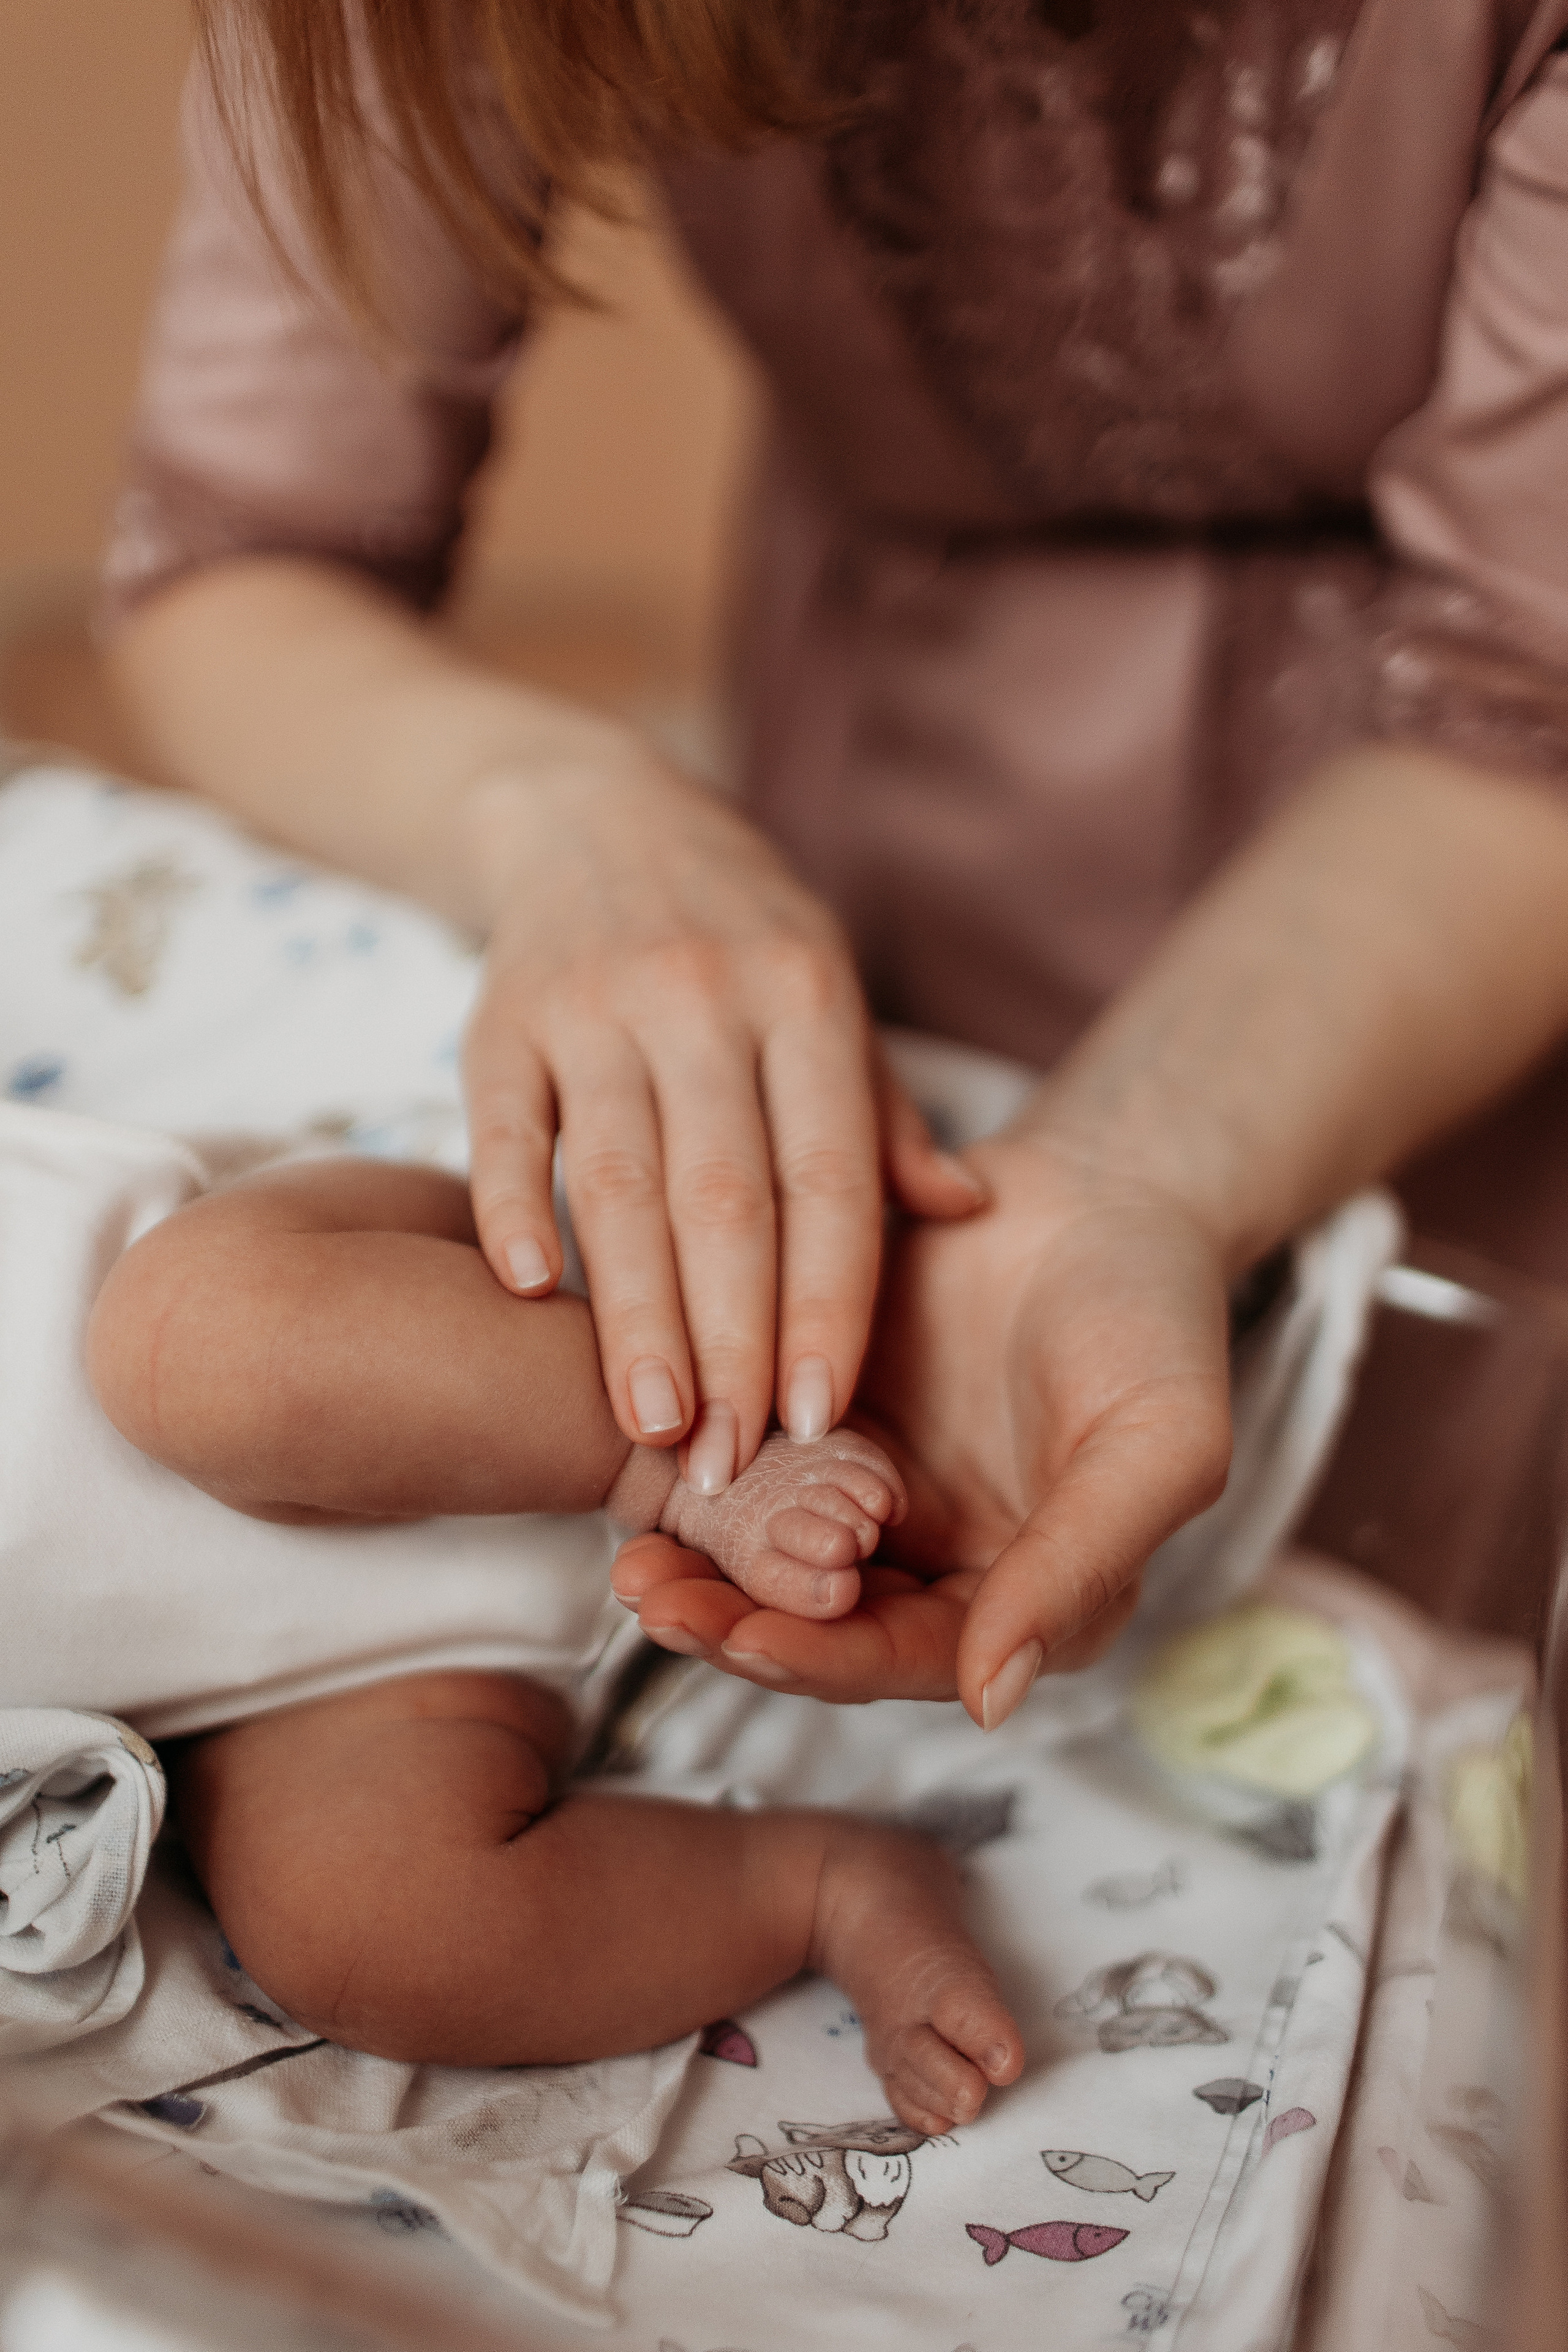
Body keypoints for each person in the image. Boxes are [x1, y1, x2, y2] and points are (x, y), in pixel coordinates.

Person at [103, 0, 1568, 1732]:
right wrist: (587, 825)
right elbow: (240, 551)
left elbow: (1531, 704)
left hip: (1481, 981)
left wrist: (1135, 1166)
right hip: (884, 852)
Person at [83, 1145, 1023, 2128]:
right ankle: (818, 1888)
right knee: (374, 1939)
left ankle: (667, 1458)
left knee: (194, 1345)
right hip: (297, 1680)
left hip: (383, 1321)